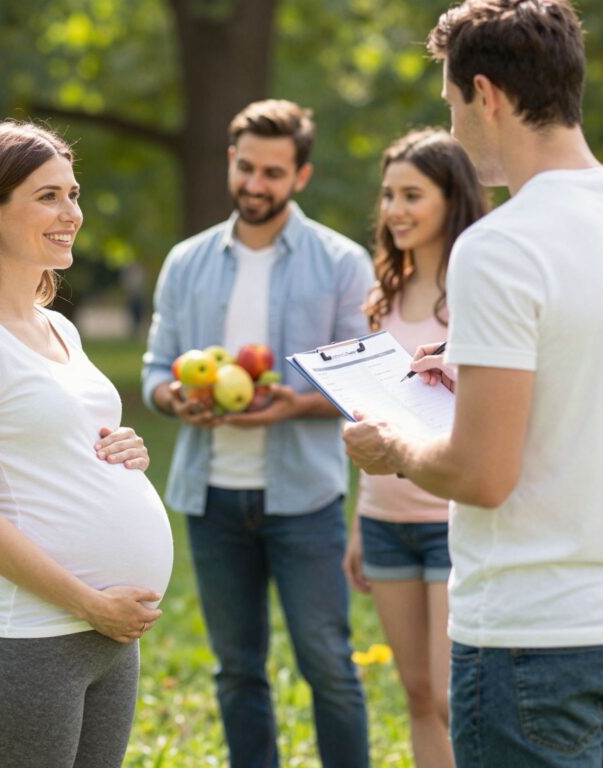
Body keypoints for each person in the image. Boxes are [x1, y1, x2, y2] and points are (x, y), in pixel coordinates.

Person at [342, 2, 603, 766]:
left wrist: (394, 444)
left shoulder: (498, 247)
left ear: (487, 96)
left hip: (531, 640)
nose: (453, 128)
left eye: (451, 106)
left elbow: (481, 475)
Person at [0, 120, 173, 768]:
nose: (71, 214)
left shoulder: (60, 328)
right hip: (28, 642)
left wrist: (125, 453)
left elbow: (52, 441)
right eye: (48, 196)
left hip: (108, 636)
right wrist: (92, 603)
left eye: (73, 194)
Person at [143, 99, 373, 768]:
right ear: (230, 162)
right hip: (212, 497)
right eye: (246, 167)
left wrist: (291, 405)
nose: (256, 184)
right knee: (236, 669)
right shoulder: (186, 262)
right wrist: (175, 398)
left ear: (300, 176)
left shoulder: (341, 262)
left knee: (328, 664)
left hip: (305, 497)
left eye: (274, 173)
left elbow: (362, 385)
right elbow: (157, 368)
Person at [342, 128, 486, 768]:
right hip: (384, 520)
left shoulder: (480, 294)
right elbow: (374, 414)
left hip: (449, 520)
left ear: (451, 198)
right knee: (419, 694)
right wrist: (358, 523)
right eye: (388, 195)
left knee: (455, 698)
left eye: (412, 195)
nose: (395, 210)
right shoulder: (383, 296)